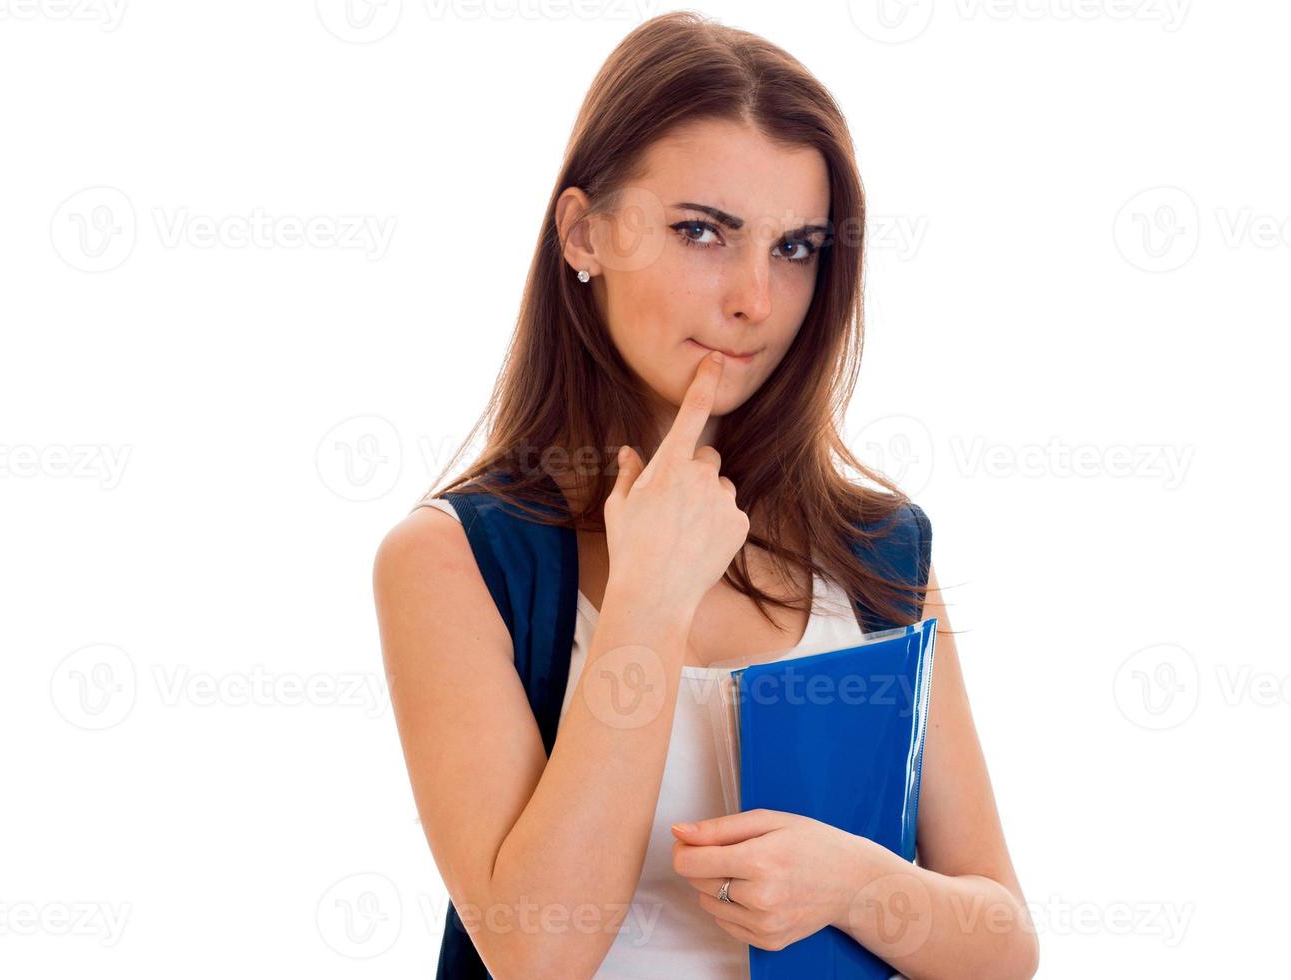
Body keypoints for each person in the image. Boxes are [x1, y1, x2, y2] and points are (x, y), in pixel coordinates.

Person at [373, 11, 1037, 979]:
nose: (755, 300)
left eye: (796, 247)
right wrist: (645, 596)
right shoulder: (454, 557)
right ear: (583, 232)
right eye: (702, 232)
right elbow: (534, 950)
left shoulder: (878, 545)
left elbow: (1003, 942)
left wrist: (858, 884)